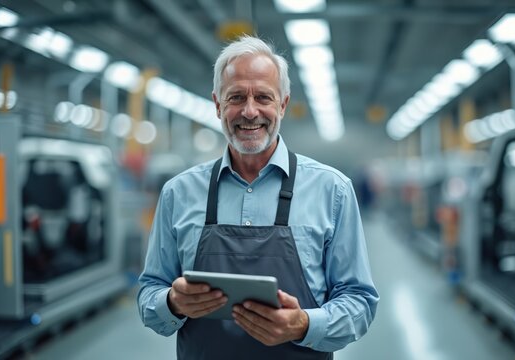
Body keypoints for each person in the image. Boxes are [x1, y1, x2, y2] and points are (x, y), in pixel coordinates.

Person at [137, 35, 379, 359]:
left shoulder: (332, 190)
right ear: (217, 104)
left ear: (282, 104)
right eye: (236, 97)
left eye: (263, 97)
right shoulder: (177, 194)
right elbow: (150, 292)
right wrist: (172, 302)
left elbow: (359, 301)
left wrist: (305, 324)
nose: (250, 112)